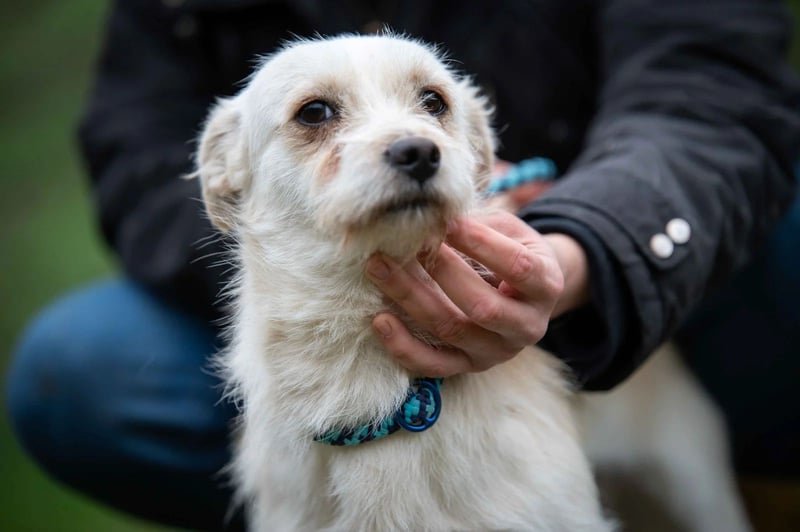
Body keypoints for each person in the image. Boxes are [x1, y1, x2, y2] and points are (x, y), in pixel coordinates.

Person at [6, 0, 800, 530]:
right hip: (295, 288)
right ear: (226, 178)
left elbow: (713, 95)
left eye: (432, 104)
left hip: (649, 246)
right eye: (317, 115)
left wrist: (586, 241)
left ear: (477, 151)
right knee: (73, 367)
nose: (411, 141)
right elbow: (134, 139)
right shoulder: (219, 145)